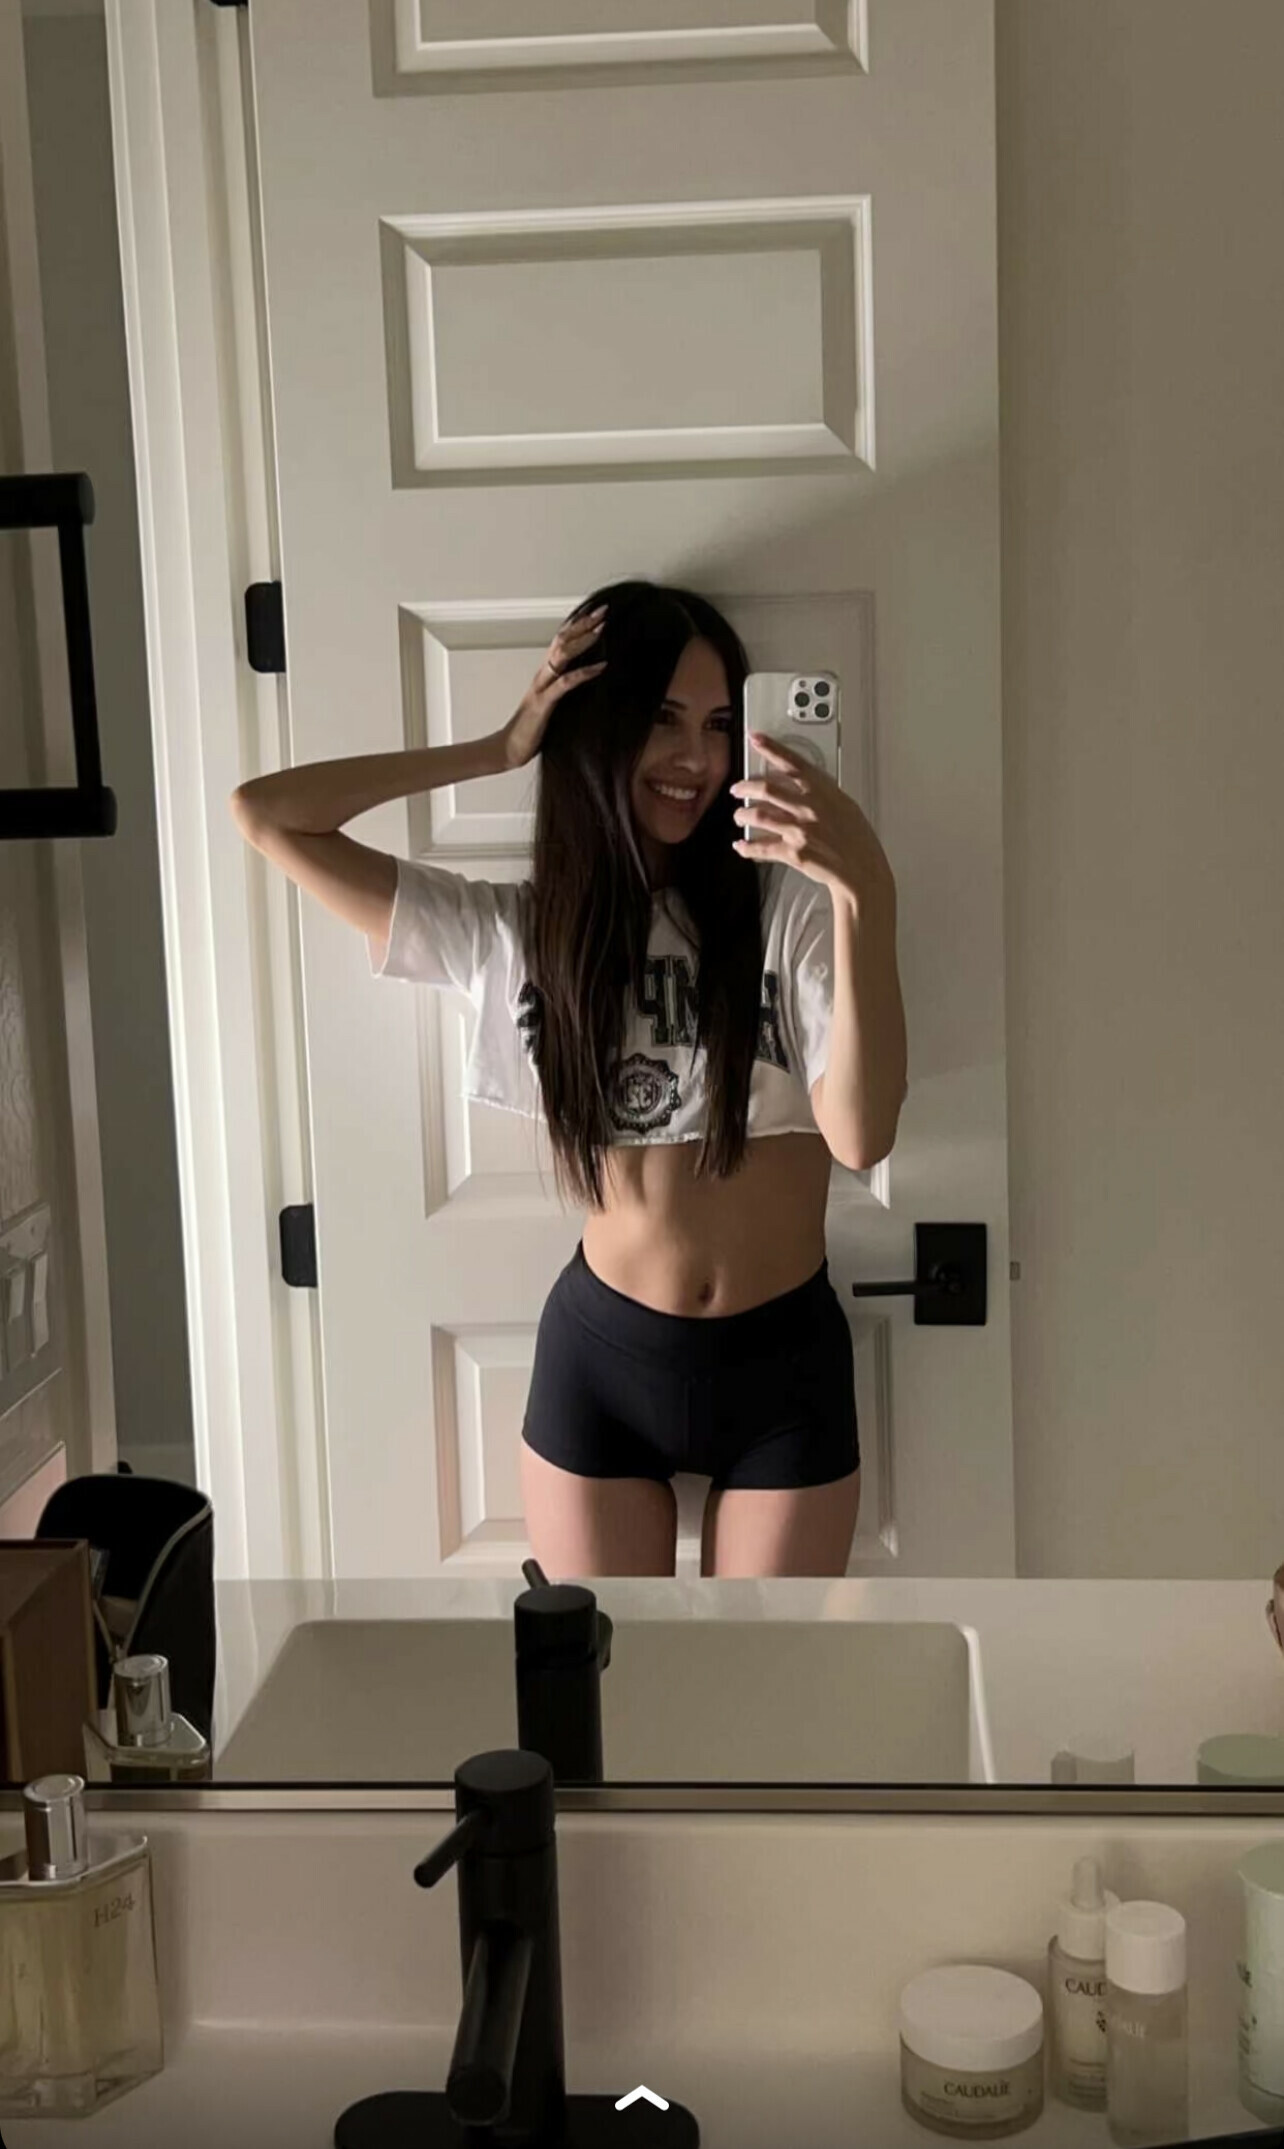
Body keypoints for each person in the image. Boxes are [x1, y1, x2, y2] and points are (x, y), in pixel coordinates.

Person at [231, 580, 907, 1578]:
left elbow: (861, 1135)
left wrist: (864, 892)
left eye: (719, 724)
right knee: (608, 1673)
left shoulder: (791, 910)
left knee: (766, 1673)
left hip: (785, 1366)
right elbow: (266, 816)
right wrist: (497, 749)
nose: (696, 758)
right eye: (662, 719)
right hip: (603, 1368)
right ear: (602, 726)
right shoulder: (522, 932)